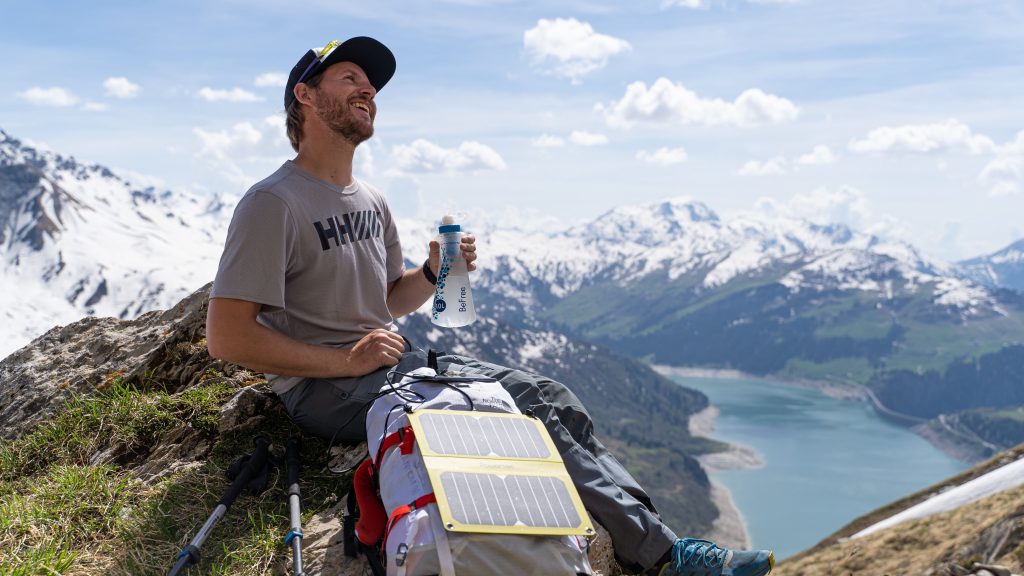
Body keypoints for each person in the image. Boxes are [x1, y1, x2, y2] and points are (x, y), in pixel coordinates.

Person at [206, 36, 774, 576]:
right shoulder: (272, 203)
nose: (368, 91)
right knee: (517, 407)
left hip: (388, 366)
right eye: (349, 78)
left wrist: (431, 273)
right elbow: (228, 337)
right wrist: (344, 362)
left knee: (550, 394)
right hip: (324, 390)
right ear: (304, 96)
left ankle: (648, 533)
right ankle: (665, 555)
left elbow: (385, 299)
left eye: (373, 86)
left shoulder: (370, 200)